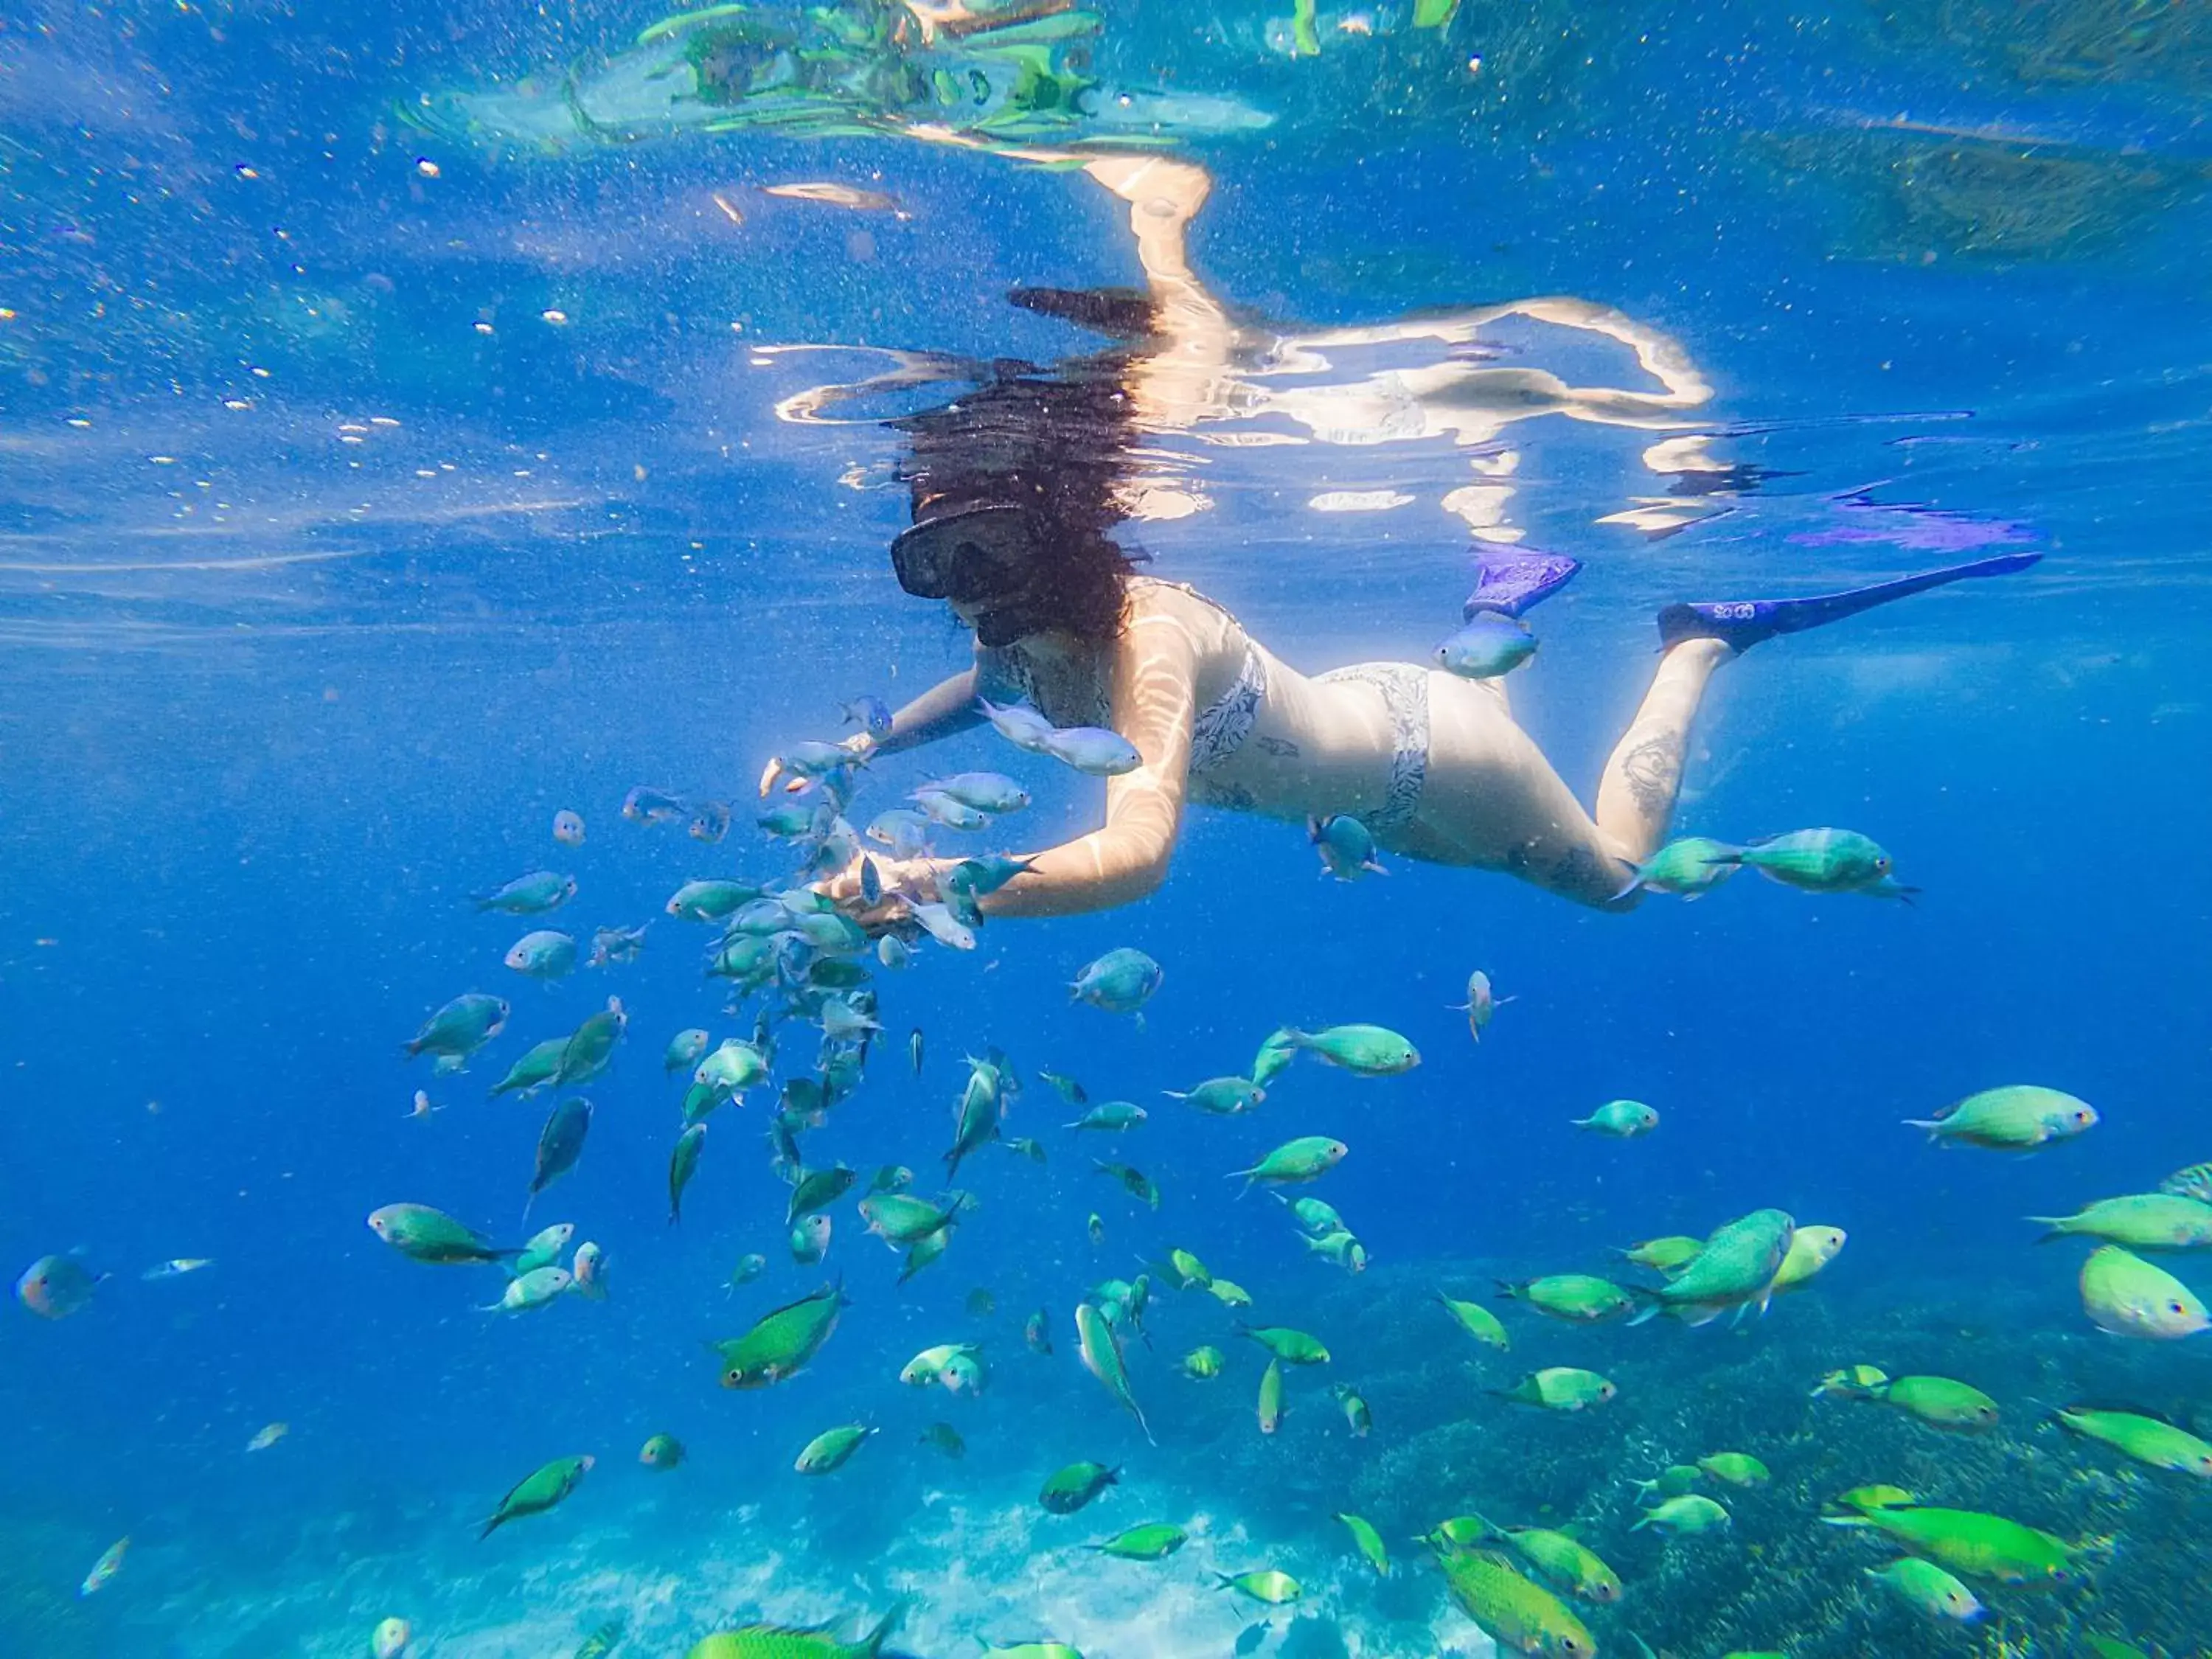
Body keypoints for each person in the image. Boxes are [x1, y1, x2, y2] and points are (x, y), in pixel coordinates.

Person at [813, 333, 2035, 919]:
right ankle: (1495, 607)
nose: (968, 583)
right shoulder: (1008, 625)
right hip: (1369, 772)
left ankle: (1693, 644)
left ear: (1062, 539)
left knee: (1619, 885)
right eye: (932, 561)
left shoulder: (1149, 641)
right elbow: (990, 692)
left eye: (987, 549)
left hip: (1430, 753)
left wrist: (946, 880)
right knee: (1496, 829)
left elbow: (1138, 854)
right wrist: (868, 750)